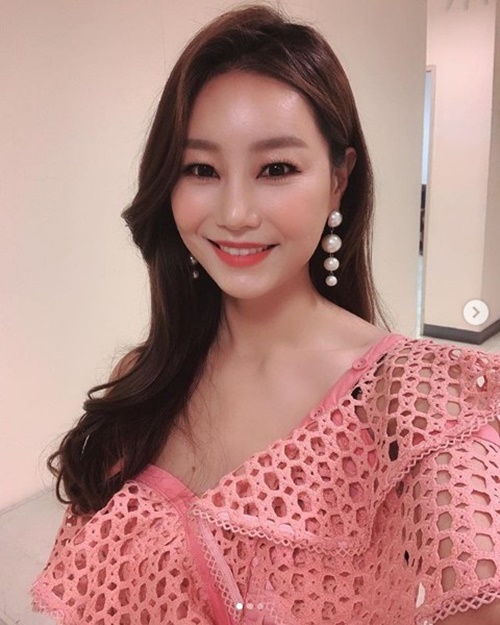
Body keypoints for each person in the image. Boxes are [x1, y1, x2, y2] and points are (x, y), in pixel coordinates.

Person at [31, 5, 500, 625]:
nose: (235, 213)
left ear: (338, 179)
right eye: (201, 169)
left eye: (276, 168)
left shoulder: (420, 404)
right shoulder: (143, 379)